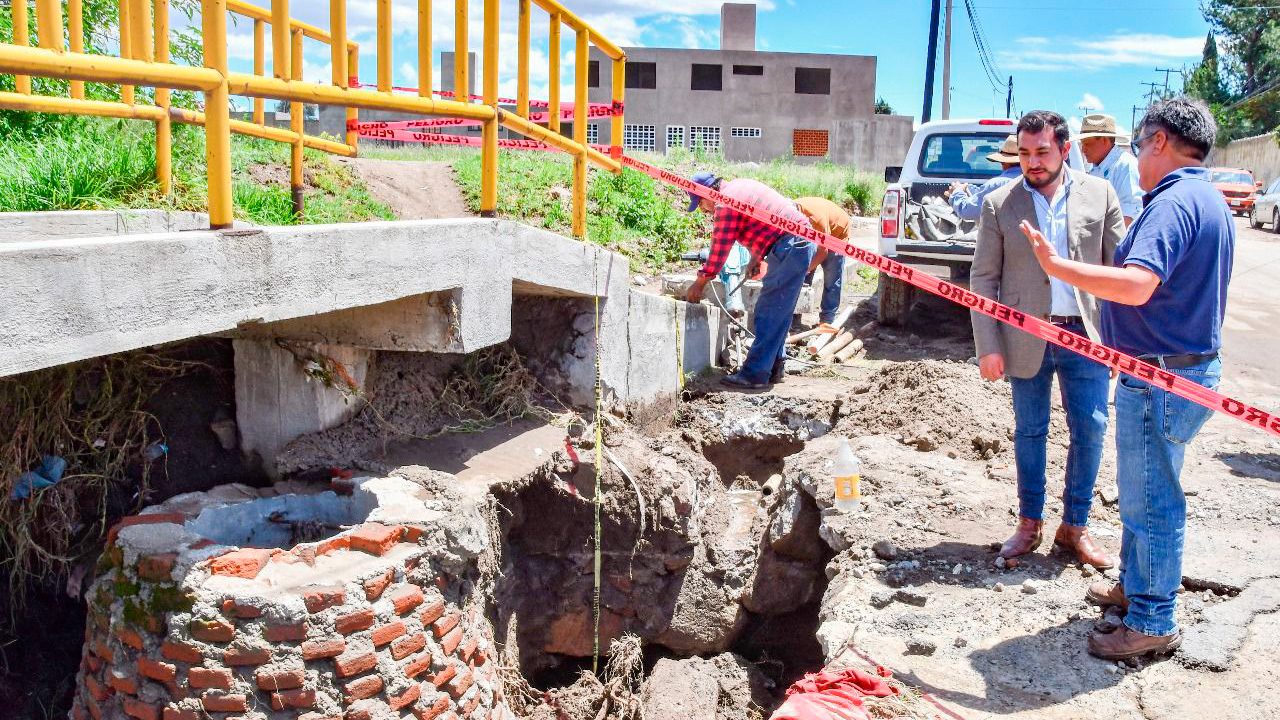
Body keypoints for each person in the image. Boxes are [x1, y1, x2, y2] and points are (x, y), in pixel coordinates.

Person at [1022, 97, 1233, 661]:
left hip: (1160, 378)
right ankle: (1138, 592)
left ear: (1160, 141)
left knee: (1152, 504)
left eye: (1140, 146)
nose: (1136, 158)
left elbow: (1137, 285)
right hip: (1179, 371)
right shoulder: (1206, 197)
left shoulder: (1173, 202)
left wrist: (1059, 267)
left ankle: (1153, 621)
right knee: (1146, 492)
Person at [970, 110, 1126, 570]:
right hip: (1023, 335)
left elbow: (1117, 271)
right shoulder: (1000, 203)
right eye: (1023, 153)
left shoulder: (1100, 194)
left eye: (1041, 152)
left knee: (1092, 428)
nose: (1032, 162)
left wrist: (1120, 342)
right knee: (1030, 431)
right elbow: (983, 277)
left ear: (1064, 147)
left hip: (1086, 334)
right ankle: (1029, 522)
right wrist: (988, 345)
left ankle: (1075, 526)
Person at [684, 172, 815, 389]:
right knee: (779, 310)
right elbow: (762, 223)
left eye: (700, 203)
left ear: (708, 193)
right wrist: (756, 256)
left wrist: (700, 282)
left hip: (791, 243)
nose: (702, 209)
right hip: (796, 240)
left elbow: (719, 249)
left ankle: (754, 374)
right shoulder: (739, 186)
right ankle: (774, 366)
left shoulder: (726, 203)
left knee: (768, 311)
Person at [1077, 113, 1143, 226]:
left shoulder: (1125, 166)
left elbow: (1131, 214)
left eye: (1087, 144)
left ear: (1104, 140)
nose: (1083, 149)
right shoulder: (1094, 169)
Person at [797, 197, 853, 325]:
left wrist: (807, 269)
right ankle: (795, 317)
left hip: (837, 234)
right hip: (814, 235)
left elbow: (823, 252)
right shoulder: (789, 211)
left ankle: (827, 320)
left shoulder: (817, 220)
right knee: (802, 277)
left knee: (832, 278)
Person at [945, 134, 1022, 221]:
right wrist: (968, 189)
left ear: (1003, 162)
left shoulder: (996, 184)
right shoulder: (1035, 182)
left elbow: (967, 211)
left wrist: (957, 191)